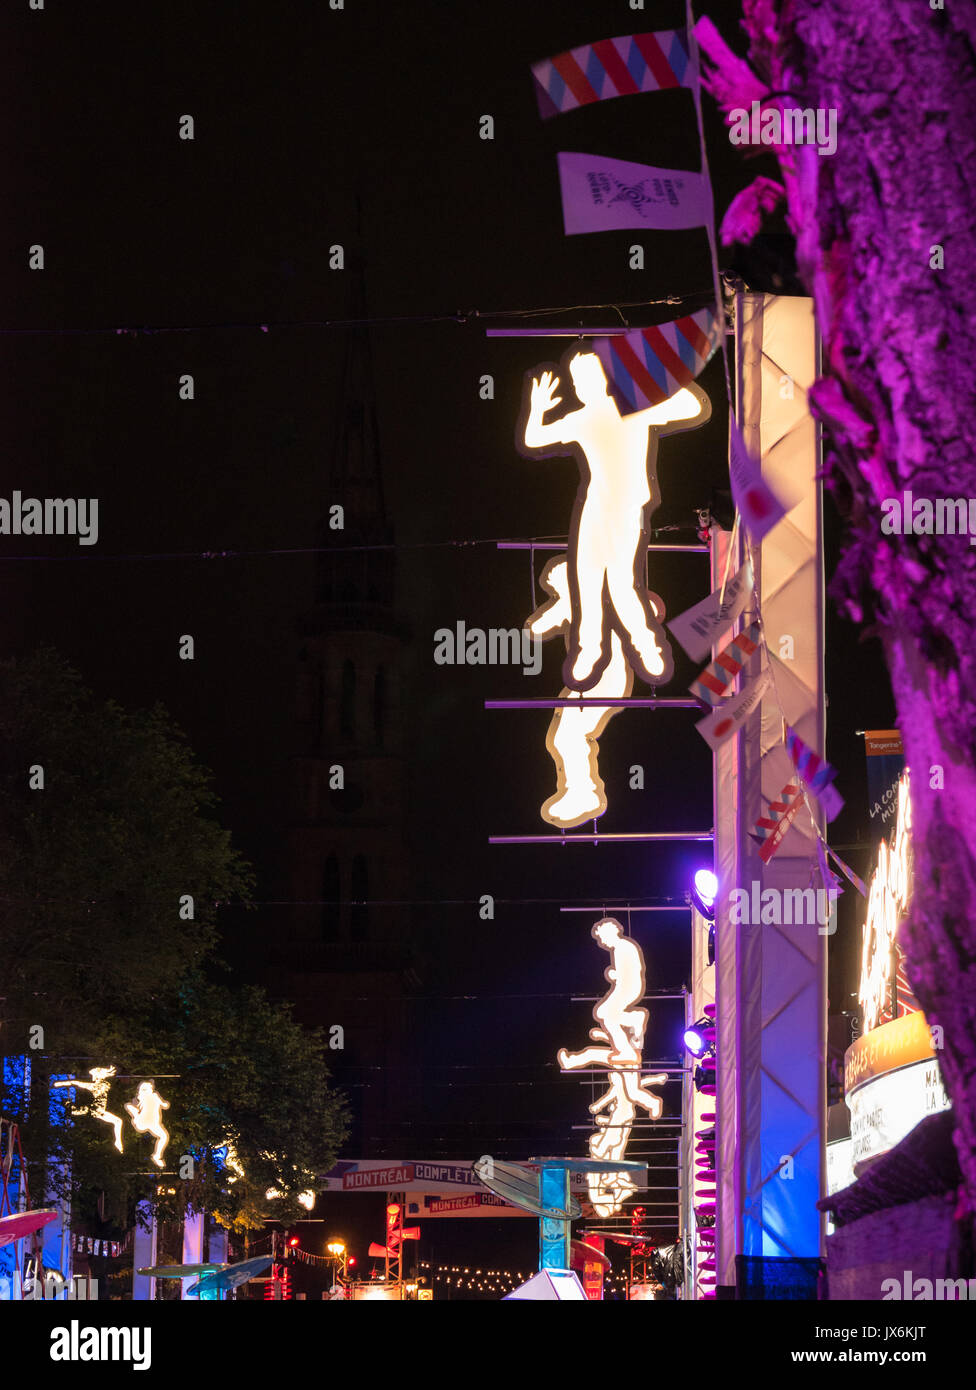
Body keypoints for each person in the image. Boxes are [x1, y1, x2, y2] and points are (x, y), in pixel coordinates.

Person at [522, 352, 707, 692]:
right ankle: (588, 649)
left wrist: (647, 377)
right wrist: (538, 406)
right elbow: (534, 440)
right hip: (594, 510)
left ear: (606, 378)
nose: (581, 387)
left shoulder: (634, 407)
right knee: (587, 586)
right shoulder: (584, 417)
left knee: (622, 585)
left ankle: (645, 645)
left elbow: (692, 406)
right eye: (577, 382)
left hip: (626, 511)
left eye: (587, 378)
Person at [527, 557, 631, 827]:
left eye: (556, 584)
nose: (553, 590)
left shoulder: (582, 601)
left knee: (568, 735)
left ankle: (582, 792)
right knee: (565, 736)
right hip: (596, 679)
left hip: (600, 679)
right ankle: (580, 790)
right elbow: (539, 626)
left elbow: (538, 625)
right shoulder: (587, 602)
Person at [53, 1066, 124, 1153]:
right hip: (97, 1109)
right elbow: (76, 1082)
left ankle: (118, 1142)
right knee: (118, 1121)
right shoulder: (94, 1085)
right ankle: (118, 1142)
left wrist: (60, 1084)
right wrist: (60, 1084)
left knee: (118, 1121)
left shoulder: (98, 1085)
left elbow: (76, 1082)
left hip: (98, 1109)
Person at [124, 1082, 171, 1169]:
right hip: (145, 1121)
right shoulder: (150, 1096)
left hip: (152, 1123)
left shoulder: (152, 1096)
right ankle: (157, 1155)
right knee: (163, 1136)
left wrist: (164, 1104)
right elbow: (165, 1104)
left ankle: (157, 1156)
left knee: (163, 1136)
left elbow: (165, 1105)